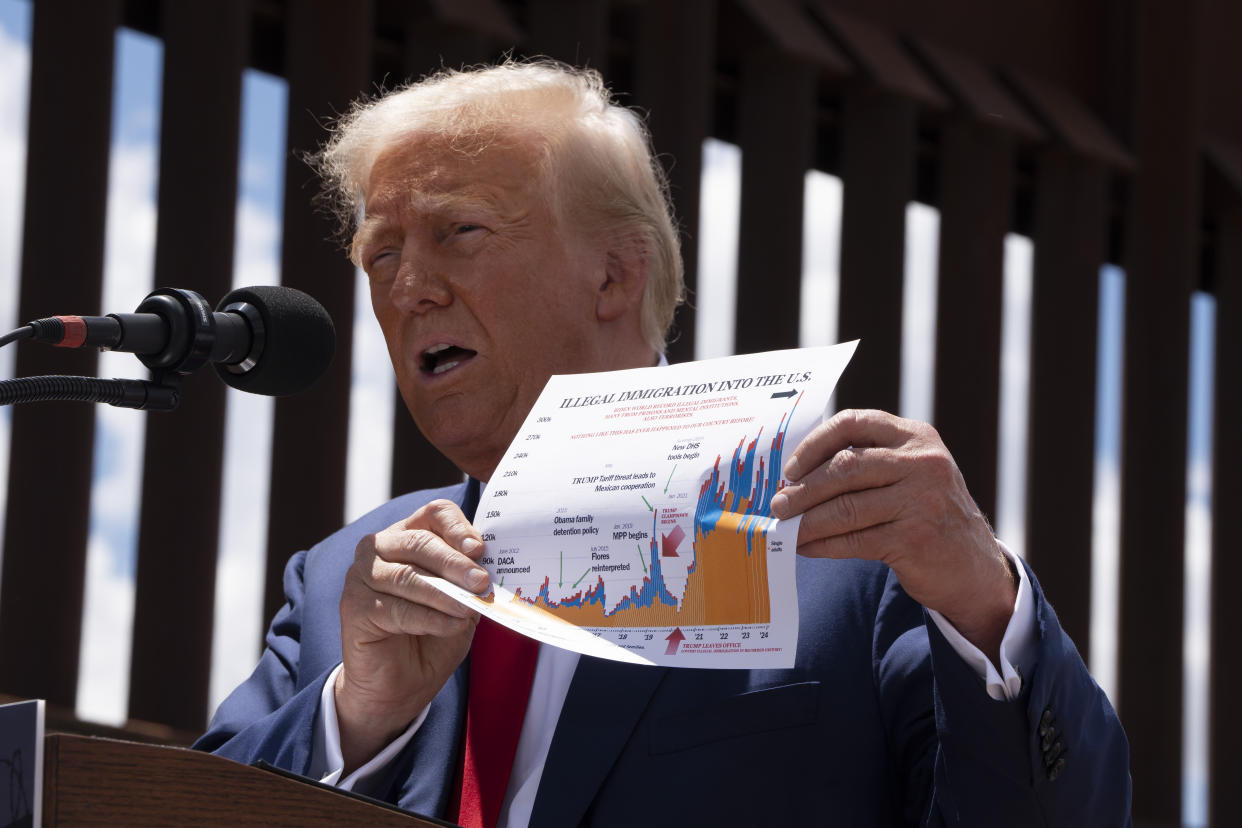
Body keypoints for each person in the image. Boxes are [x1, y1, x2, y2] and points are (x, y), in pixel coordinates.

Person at [196, 60, 1130, 826]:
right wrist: (359, 720)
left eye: (458, 232)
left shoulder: (848, 543)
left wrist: (980, 608)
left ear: (615, 273)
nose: (408, 291)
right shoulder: (337, 588)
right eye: (382, 254)